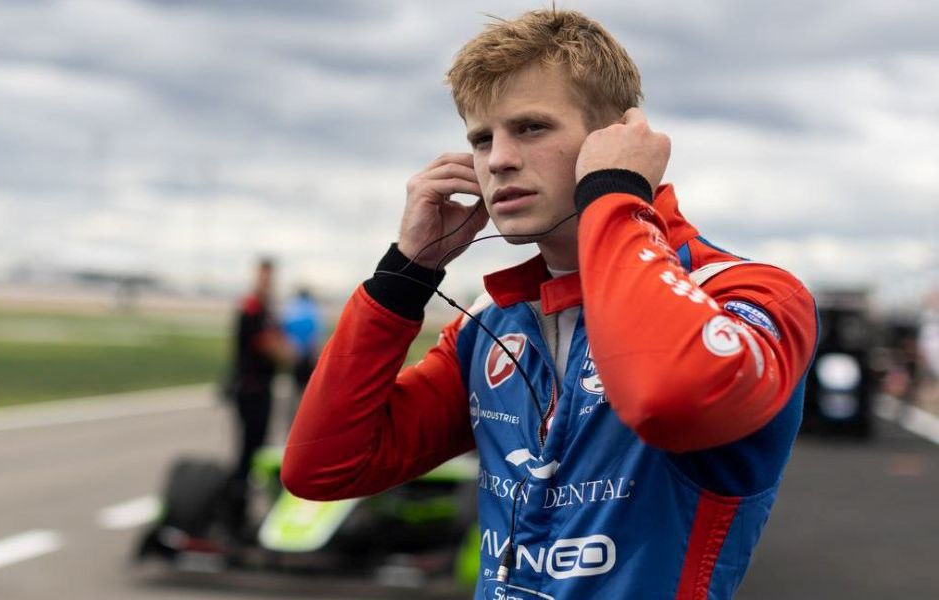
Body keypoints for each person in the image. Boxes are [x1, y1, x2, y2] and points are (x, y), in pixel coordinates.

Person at [282, 9, 818, 599]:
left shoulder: (750, 293)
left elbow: (669, 399)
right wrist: (407, 273)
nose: (497, 160)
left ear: (615, 138)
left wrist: (615, 196)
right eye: (482, 139)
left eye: (531, 128)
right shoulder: (492, 327)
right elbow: (323, 468)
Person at [223, 257, 292, 537]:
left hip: (261, 388)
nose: (268, 282)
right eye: (264, 276)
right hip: (250, 389)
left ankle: (241, 513)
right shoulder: (252, 307)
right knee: (248, 454)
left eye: (271, 277)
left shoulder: (267, 309)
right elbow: (271, 346)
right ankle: (234, 517)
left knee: (256, 451)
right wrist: (292, 356)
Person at [281, 286, 323, 393]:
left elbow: (286, 330)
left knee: (296, 383)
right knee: (308, 385)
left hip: (295, 353)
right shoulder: (312, 308)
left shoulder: (292, 307)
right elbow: (316, 333)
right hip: (308, 353)